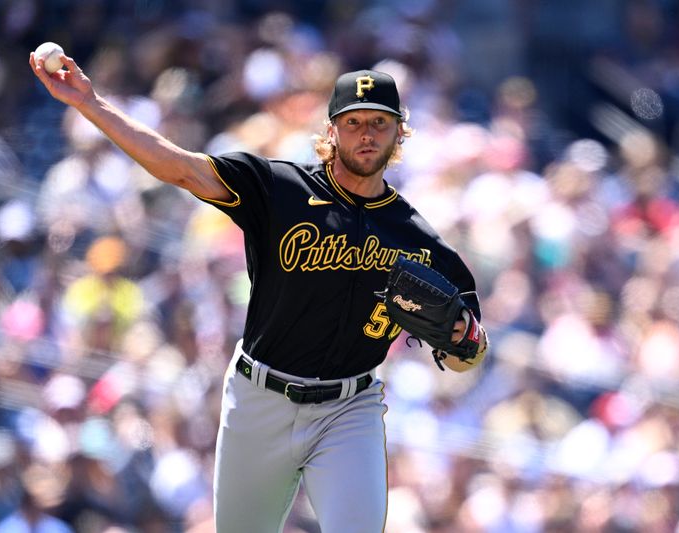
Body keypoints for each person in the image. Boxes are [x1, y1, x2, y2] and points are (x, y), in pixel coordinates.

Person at [30, 50, 489, 533]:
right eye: (353, 122)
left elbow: (466, 354)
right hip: (259, 397)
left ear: (400, 134)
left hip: (348, 409)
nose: (367, 133)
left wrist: (467, 342)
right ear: (331, 131)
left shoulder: (419, 239)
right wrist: (90, 103)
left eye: (380, 122)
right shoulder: (278, 188)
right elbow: (180, 168)